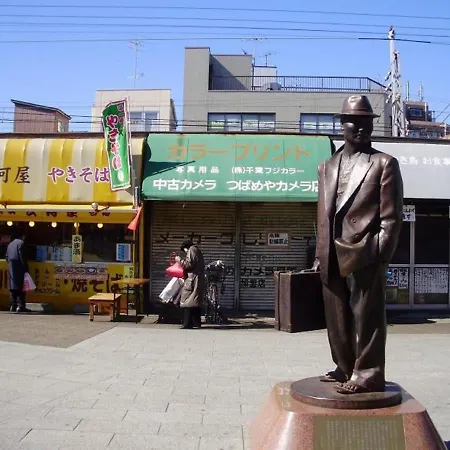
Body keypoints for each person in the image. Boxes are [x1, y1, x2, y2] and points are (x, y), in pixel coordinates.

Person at [312, 95, 403, 395]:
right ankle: (344, 365)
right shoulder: (326, 166)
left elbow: (391, 217)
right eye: (354, 122)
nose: (362, 127)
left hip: (365, 252)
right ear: (342, 125)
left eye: (366, 122)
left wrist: (379, 254)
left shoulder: (384, 163)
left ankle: (369, 374)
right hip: (331, 253)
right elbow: (323, 214)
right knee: (336, 318)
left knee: (368, 318)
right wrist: (319, 252)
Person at [175, 240, 205, 329]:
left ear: (186, 247)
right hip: (197, 279)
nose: (185, 252)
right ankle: (196, 322)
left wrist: (179, 260)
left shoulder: (192, 249)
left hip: (192, 280)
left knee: (187, 301)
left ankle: (187, 323)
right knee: (195, 301)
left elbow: (189, 264)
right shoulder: (197, 250)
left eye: (184, 250)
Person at [6, 231, 29, 313]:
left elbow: (6, 257)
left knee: (13, 289)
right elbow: (22, 256)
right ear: (22, 236)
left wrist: (10, 265)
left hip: (11, 269)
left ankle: (13, 306)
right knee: (21, 288)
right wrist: (26, 268)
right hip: (20, 269)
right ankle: (21, 306)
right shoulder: (21, 243)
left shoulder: (10, 244)